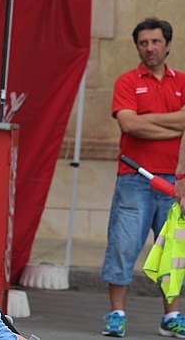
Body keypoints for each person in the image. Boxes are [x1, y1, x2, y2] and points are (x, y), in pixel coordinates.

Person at [101, 18, 185, 338]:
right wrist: (174, 125)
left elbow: (143, 122)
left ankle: (171, 317)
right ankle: (116, 314)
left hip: (175, 180)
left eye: (155, 42)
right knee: (123, 246)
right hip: (135, 177)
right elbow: (129, 125)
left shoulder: (183, 81)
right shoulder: (126, 81)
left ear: (167, 46)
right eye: (143, 43)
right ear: (137, 47)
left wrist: (147, 119)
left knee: (173, 251)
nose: (149, 48)